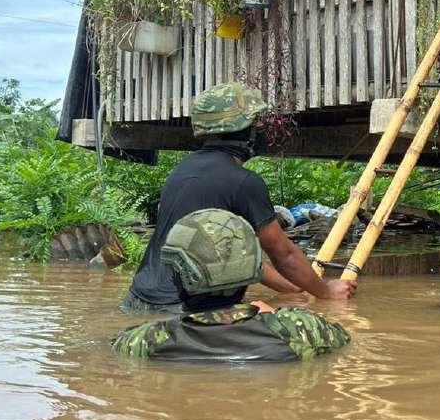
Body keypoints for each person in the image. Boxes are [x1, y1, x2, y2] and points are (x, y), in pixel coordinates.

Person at [120, 82, 356, 314]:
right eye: (257, 122)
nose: (261, 128)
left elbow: (244, 259)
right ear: (245, 130)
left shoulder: (182, 170)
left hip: (138, 300)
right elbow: (284, 255)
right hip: (185, 309)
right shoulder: (243, 182)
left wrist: (297, 289)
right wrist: (326, 292)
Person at [113, 209, 350, 361]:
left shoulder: (140, 341)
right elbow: (343, 339)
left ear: (176, 273)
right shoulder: (302, 329)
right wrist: (276, 317)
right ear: (253, 270)